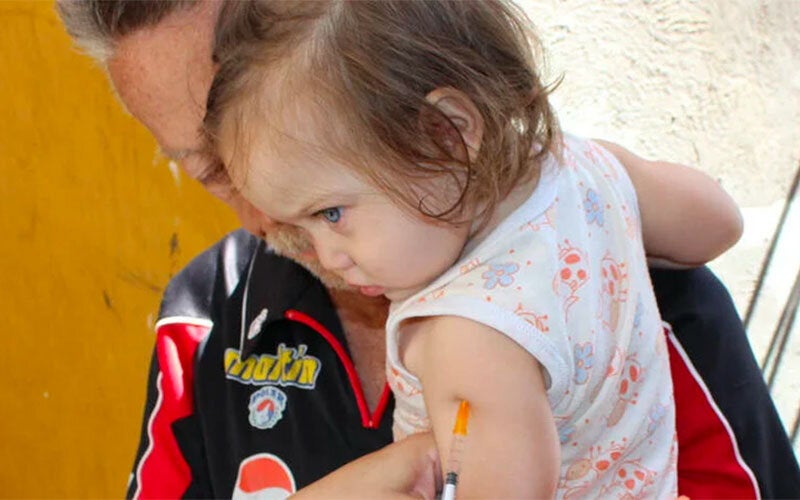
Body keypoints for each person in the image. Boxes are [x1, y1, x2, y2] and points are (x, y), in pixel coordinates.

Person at [55, 0, 800, 498]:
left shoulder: (631, 298)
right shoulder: (203, 317)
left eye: (323, 199)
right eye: (214, 170)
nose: (266, 216)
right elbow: (713, 217)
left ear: (437, 128)